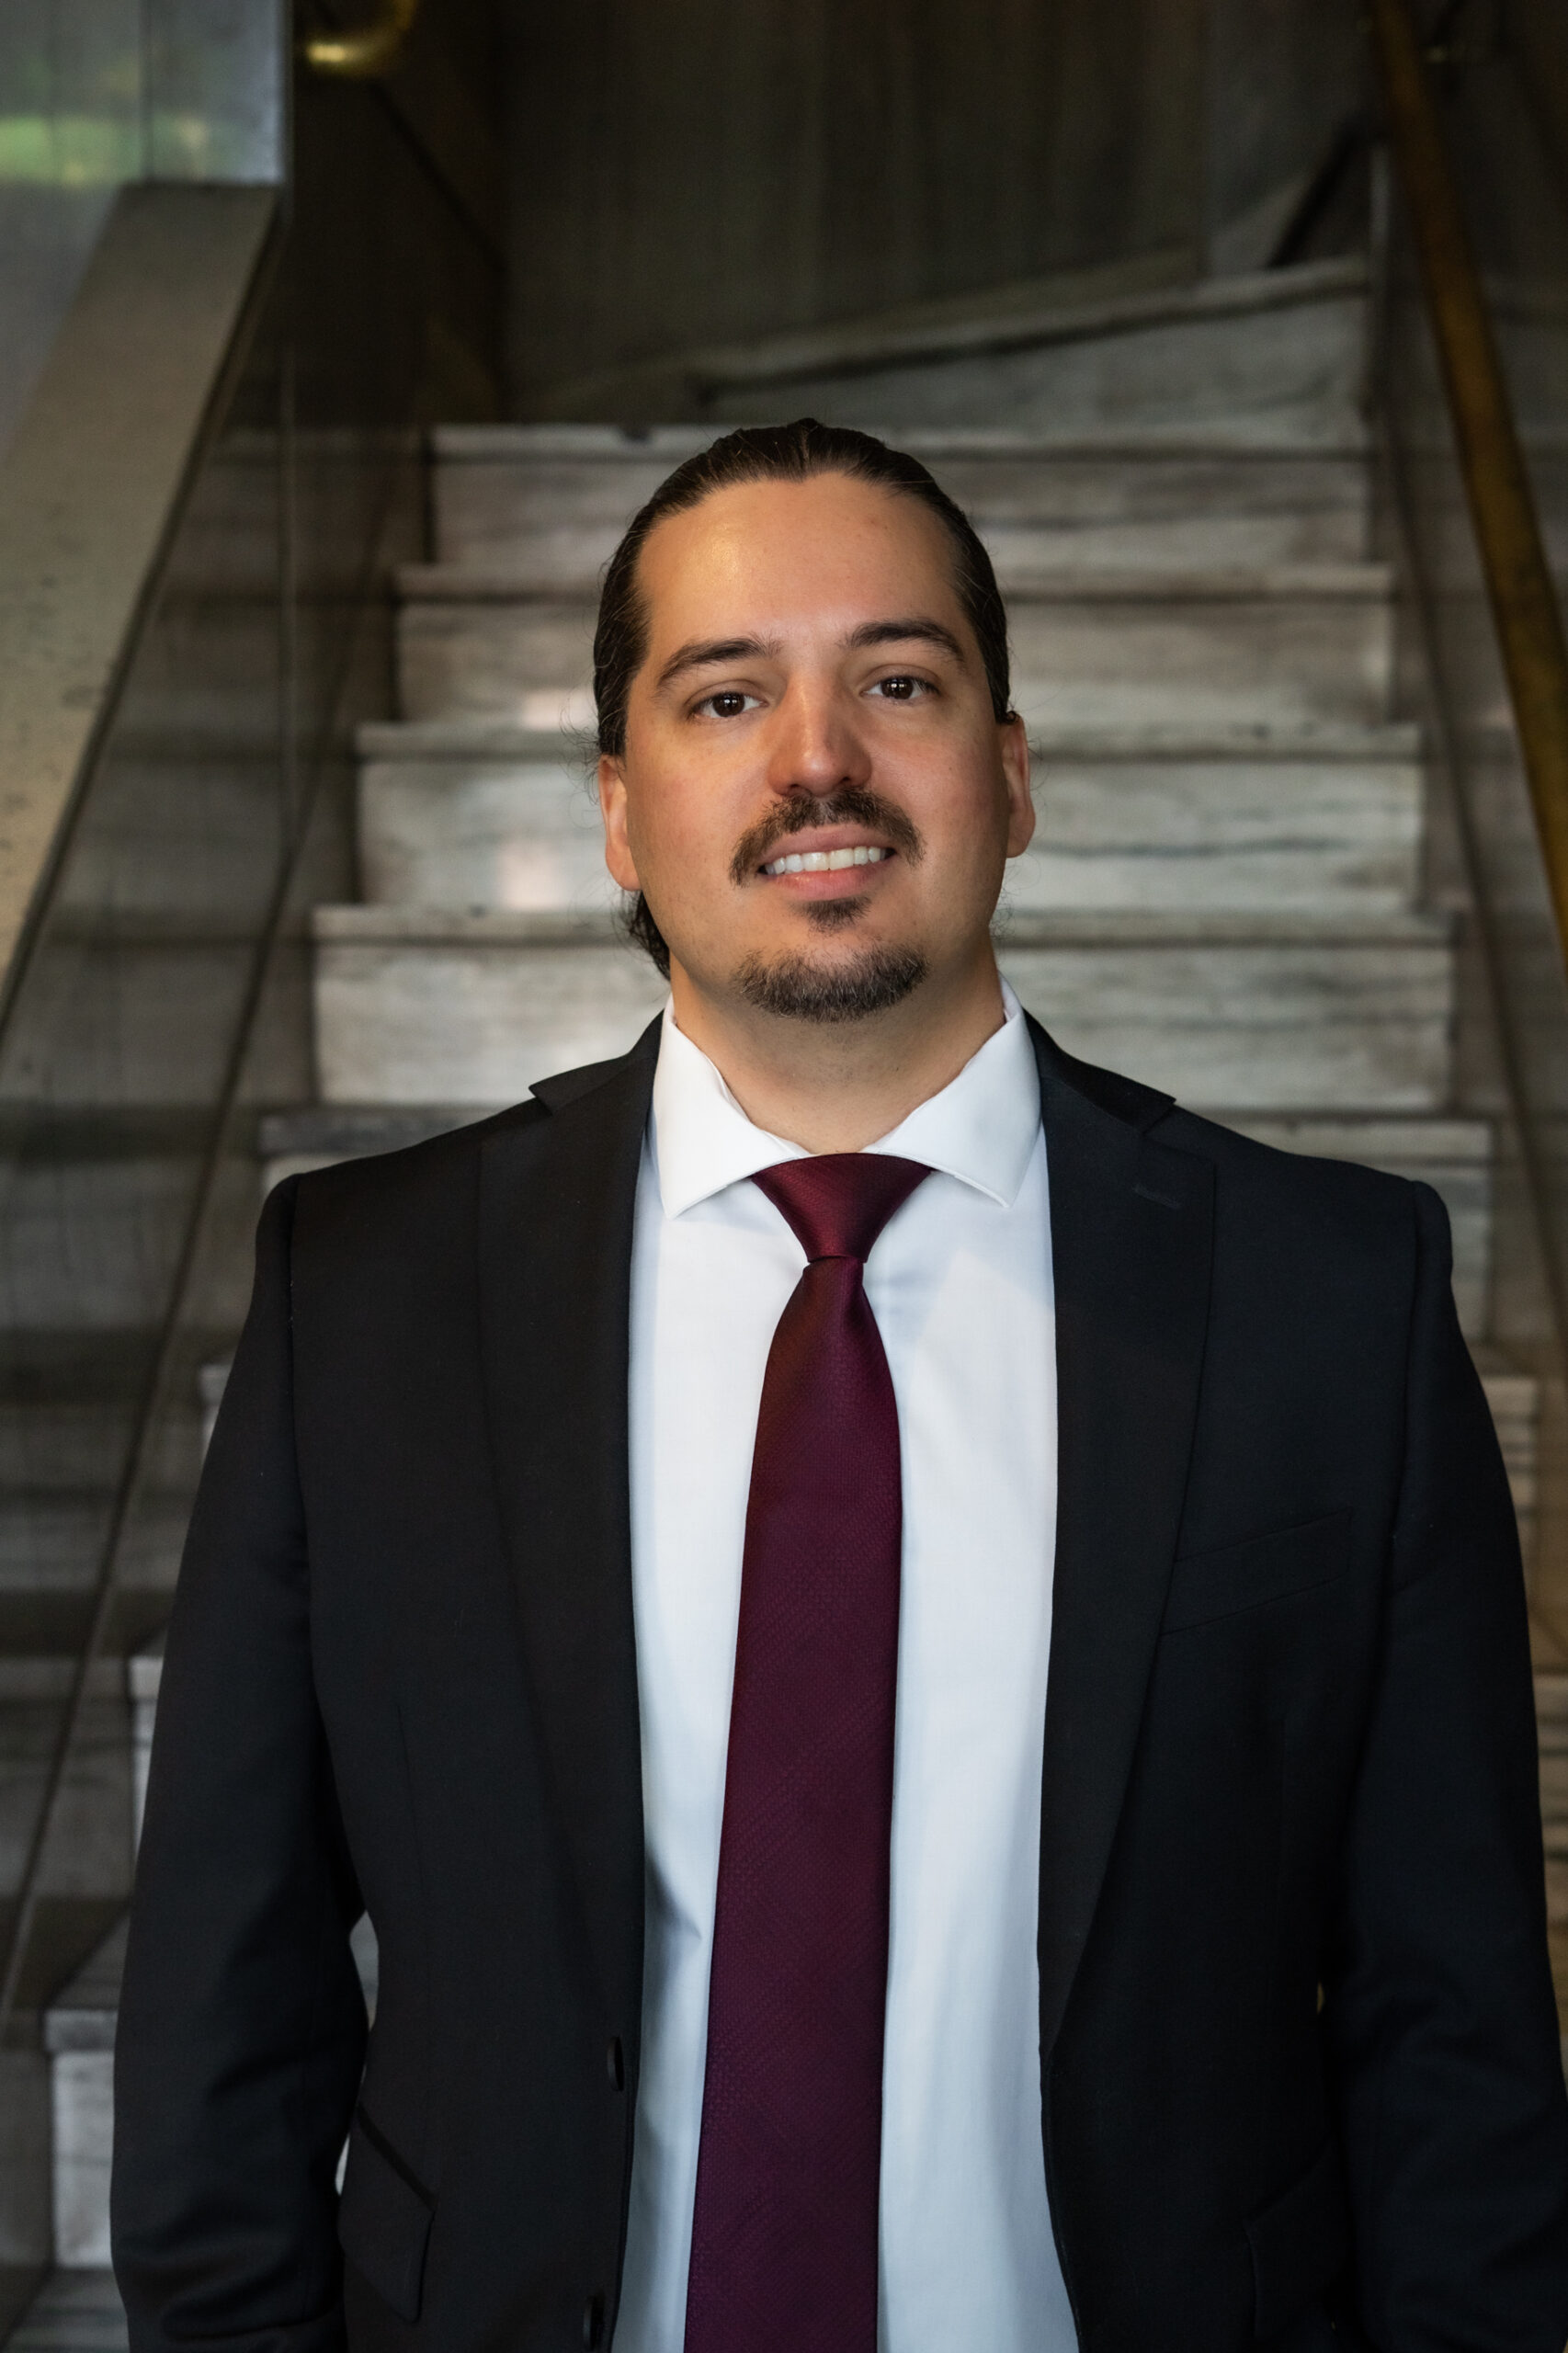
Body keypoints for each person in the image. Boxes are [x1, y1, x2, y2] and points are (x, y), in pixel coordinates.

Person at [111, 420, 1568, 2353]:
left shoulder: (1330, 1297)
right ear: (619, 812)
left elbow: (1451, 2030)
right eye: (727, 696)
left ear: (1009, 775)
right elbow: (224, 2013)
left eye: (896, 681)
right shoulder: (365, 1296)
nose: (816, 759)